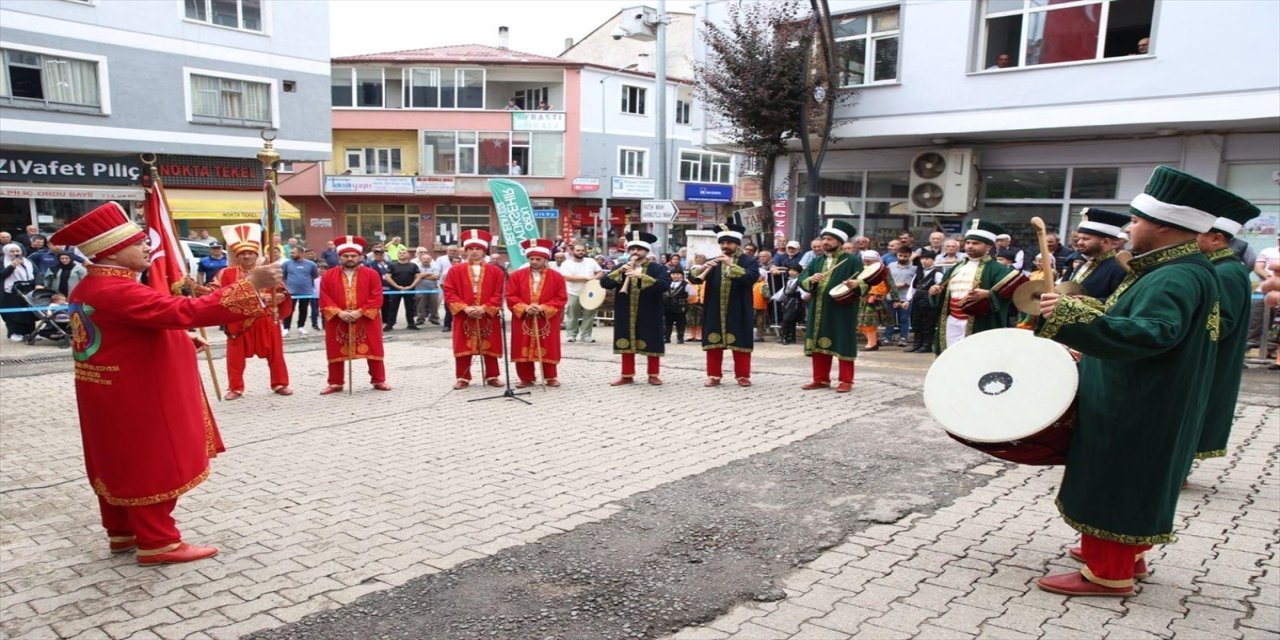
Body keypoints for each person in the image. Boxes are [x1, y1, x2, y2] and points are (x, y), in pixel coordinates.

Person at [1032, 165, 1255, 597]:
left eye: (1135, 220)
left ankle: (1108, 573)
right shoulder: (1177, 268)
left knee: (1118, 477)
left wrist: (1071, 317)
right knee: (1131, 478)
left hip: (1137, 399)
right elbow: (1139, 322)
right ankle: (1125, 554)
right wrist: (1089, 321)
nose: (1128, 228)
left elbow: (1154, 333)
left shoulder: (1175, 274)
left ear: (1164, 226)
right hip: (1145, 394)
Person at [50, 201, 281, 565]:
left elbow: (130, 329)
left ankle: (123, 532)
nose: (148, 247)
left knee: (118, 460)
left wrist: (179, 338)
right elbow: (183, 310)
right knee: (150, 461)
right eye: (139, 242)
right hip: (139, 395)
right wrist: (251, 284)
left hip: (110, 393)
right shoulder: (118, 290)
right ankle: (158, 542)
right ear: (112, 251)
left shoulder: (91, 287)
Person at [1194, 209, 1258, 462]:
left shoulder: (1226, 271)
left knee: (1200, 412)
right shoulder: (1217, 266)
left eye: (1197, 235)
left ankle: (1181, 471)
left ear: (1217, 239)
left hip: (1213, 359)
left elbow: (1222, 322)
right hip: (1209, 357)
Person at [217, 224, 293, 399]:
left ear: (256, 254)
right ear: (237, 255)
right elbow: (214, 293)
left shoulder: (267, 271)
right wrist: (194, 287)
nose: (246, 256)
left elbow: (283, 293)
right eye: (242, 253)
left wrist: (276, 297)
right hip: (238, 320)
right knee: (235, 357)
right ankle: (235, 388)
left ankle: (280, 383)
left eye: (250, 252)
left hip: (266, 318)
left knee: (276, 354)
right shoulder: (226, 273)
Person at [689, 223, 760, 387]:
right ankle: (714, 375)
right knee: (713, 343)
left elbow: (751, 278)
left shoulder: (749, 261)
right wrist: (702, 268)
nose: (725, 246)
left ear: (737, 244)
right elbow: (694, 279)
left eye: (728, 243)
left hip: (739, 308)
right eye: (722, 243)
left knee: (740, 341)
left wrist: (730, 265)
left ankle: (742, 375)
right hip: (714, 308)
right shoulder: (713, 261)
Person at [929, 220, 1014, 354]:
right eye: (968, 242)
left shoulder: (999, 269)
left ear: (988, 247)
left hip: (980, 322)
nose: (969, 246)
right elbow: (943, 294)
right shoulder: (956, 267)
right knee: (950, 356)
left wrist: (989, 294)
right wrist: (935, 292)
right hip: (951, 322)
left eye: (975, 243)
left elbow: (1010, 295)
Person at [319, 235, 390, 394]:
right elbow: (324, 296)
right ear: (339, 257)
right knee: (335, 349)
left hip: (366, 318)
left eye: (353, 255)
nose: (350, 258)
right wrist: (339, 312)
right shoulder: (328, 275)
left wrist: (360, 312)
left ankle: (378, 380)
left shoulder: (372, 274)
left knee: (374, 348)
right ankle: (335, 383)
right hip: (338, 319)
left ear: (360, 256)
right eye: (346, 256)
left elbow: (377, 296)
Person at [798, 220, 863, 392]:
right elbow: (802, 278)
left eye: (830, 239)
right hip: (818, 308)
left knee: (843, 341)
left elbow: (865, 281)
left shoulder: (852, 260)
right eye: (824, 239)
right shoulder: (816, 261)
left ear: (839, 242)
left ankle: (846, 380)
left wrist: (856, 284)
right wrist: (810, 280)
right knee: (819, 339)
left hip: (843, 309)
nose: (825, 242)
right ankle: (820, 379)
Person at [600, 231, 671, 385]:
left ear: (646, 251)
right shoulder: (621, 266)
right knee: (626, 339)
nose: (635, 252)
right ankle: (627, 375)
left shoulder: (657, 268)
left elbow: (664, 285)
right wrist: (619, 272)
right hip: (625, 310)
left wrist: (641, 277)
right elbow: (604, 283)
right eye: (632, 249)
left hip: (650, 310)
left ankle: (653, 374)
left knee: (652, 340)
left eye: (639, 249)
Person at [442, 230, 505, 389]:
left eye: (478, 249)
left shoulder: (496, 271)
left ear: (484, 251)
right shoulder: (455, 270)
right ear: (465, 251)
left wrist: (485, 308)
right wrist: (464, 308)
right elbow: (449, 291)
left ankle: (492, 375)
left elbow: (499, 293)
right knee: (463, 345)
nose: (474, 252)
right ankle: (463, 377)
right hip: (464, 314)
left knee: (490, 344)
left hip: (487, 314)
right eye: (471, 249)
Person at [506, 238, 567, 388]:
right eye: (531, 259)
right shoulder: (516, 276)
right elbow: (510, 295)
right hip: (523, 317)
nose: (534, 262)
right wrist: (525, 307)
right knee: (522, 345)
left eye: (538, 259)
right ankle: (526, 378)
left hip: (546, 318)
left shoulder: (557, 277)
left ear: (545, 259)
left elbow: (561, 297)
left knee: (548, 345)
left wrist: (543, 308)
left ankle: (551, 376)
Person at [1063, 208, 1130, 301]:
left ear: (1106, 241)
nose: (1079, 242)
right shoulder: (1083, 264)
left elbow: (1121, 302)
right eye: (1079, 239)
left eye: (1085, 239)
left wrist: (1083, 302)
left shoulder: (1119, 268)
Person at [559, 243, 604, 343]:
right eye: (578, 250)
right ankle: (571, 335)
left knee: (589, 314)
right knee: (572, 314)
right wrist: (585, 279)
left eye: (582, 250)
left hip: (590, 292)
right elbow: (566, 277)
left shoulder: (591, 261)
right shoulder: (566, 263)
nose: (580, 252)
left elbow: (600, 272)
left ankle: (586, 335)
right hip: (573, 292)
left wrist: (594, 278)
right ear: (572, 251)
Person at [858, 250, 896, 351]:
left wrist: (896, 300)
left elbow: (891, 285)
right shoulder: (862, 270)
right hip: (862, 300)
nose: (867, 263)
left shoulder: (884, 271)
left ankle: (872, 343)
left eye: (869, 261)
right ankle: (874, 340)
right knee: (859, 324)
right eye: (865, 261)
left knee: (869, 322)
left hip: (875, 299)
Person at [906, 249, 944, 352]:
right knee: (916, 322)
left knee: (928, 324)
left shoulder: (937, 273)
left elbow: (941, 287)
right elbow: (913, 287)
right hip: (917, 300)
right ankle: (917, 344)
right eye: (922, 259)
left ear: (933, 260)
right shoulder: (919, 272)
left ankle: (926, 345)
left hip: (929, 302)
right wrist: (908, 300)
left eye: (927, 259)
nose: (924, 261)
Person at [2, 242, 37, 341]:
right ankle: (15, 332)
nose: (15, 253)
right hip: (11, 290)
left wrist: (39, 283)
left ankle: (30, 332)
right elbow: (2, 275)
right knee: (15, 312)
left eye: (17, 251)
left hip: (28, 288)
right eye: (12, 251)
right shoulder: (2, 261)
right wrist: (12, 266)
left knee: (29, 312)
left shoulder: (28, 261)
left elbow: (36, 273)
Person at [281, 245, 319, 335]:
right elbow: (283, 276)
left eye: (293, 253)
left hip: (306, 291)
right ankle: (286, 328)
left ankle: (301, 326)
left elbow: (315, 275)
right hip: (291, 292)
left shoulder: (311, 264)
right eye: (291, 253)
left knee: (303, 310)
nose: (291, 254)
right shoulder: (286, 264)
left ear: (301, 253)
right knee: (289, 310)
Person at [885, 246, 916, 346]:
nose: (902, 258)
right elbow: (886, 280)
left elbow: (916, 283)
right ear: (897, 255)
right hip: (891, 296)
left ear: (910, 256)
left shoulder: (914, 267)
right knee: (890, 318)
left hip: (905, 298)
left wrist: (905, 284)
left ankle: (903, 338)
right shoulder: (891, 265)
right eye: (900, 255)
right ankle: (887, 337)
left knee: (904, 318)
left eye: (905, 256)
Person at [383, 249, 421, 331]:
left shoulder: (413, 265)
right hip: (395, 290)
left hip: (409, 290)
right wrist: (397, 286)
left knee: (410, 307)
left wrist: (411, 286)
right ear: (397, 255)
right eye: (400, 253)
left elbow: (418, 276)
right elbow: (387, 277)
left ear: (408, 255)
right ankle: (390, 324)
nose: (402, 254)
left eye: (404, 253)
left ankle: (411, 324)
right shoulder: (392, 265)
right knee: (392, 308)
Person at [413, 247, 443, 326]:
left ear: (430, 260)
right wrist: (428, 275)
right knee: (420, 304)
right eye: (424, 259)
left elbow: (436, 276)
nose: (426, 260)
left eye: (427, 259)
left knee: (434, 304)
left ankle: (434, 318)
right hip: (420, 288)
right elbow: (416, 276)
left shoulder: (435, 266)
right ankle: (420, 319)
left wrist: (422, 276)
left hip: (433, 289)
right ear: (421, 260)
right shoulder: (417, 267)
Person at [663, 267, 692, 344]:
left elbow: (692, 294)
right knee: (667, 323)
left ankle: (680, 338)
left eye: (677, 274)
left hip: (680, 307)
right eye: (673, 274)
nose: (675, 275)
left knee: (681, 323)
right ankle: (666, 338)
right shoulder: (667, 283)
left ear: (681, 275)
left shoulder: (686, 284)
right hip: (668, 307)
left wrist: (685, 301)